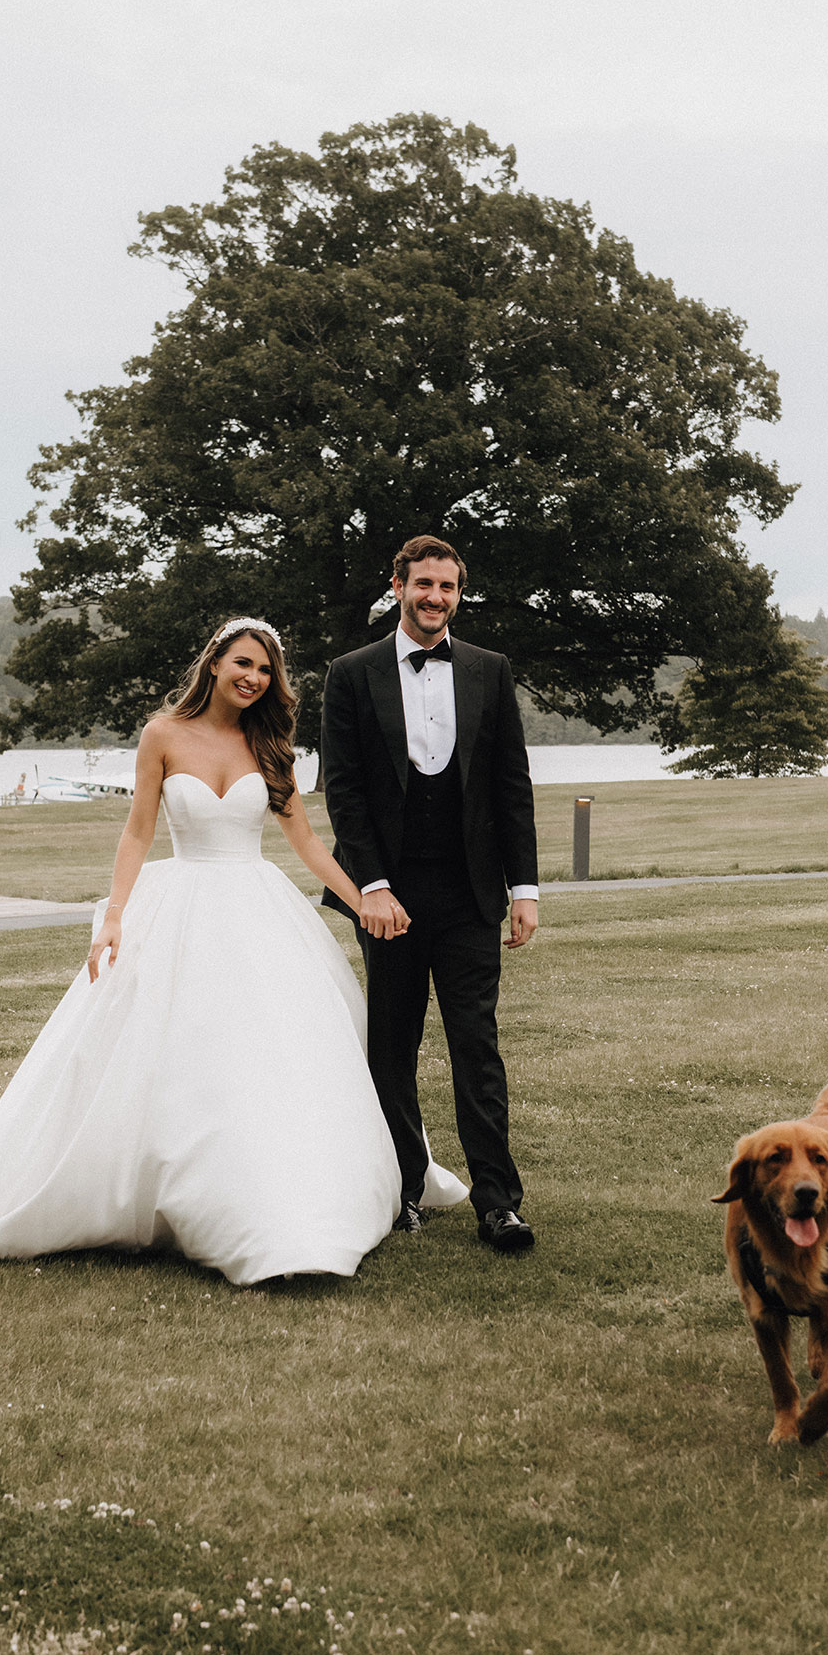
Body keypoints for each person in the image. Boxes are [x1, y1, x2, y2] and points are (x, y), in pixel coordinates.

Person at [0, 619, 467, 1284]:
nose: (254, 679)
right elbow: (137, 834)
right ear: (214, 661)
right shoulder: (162, 735)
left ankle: (284, 1193)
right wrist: (114, 916)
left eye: (266, 671)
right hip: (180, 903)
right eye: (244, 664)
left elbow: (304, 840)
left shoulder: (270, 743)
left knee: (276, 1050)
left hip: (257, 908)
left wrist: (363, 898)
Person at [320, 537, 540, 1253]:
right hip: (387, 897)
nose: (435, 598)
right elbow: (345, 794)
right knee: (393, 1046)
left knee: (477, 1047)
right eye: (423, 585)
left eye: (447, 587)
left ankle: (498, 1204)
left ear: (458, 592)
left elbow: (512, 787)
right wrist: (371, 888)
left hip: (471, 893)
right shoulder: (351, 675)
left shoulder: (489, 670)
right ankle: (402, 1189)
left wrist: (525, 887)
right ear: (398, 586)